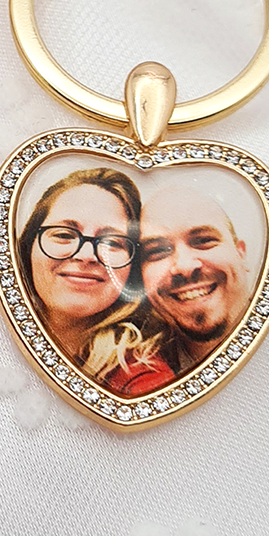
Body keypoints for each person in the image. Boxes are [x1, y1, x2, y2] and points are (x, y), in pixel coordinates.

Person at [17, 167, 174, 395]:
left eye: (112, 243)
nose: (86, 255)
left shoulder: (143, 376)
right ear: (29, 245)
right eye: (63, 235)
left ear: (133, 269)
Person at [138, 185, 254, 372]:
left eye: (203, 241)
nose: (184, 267)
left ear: (241, 253)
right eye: (158, 251)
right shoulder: (134, 373)